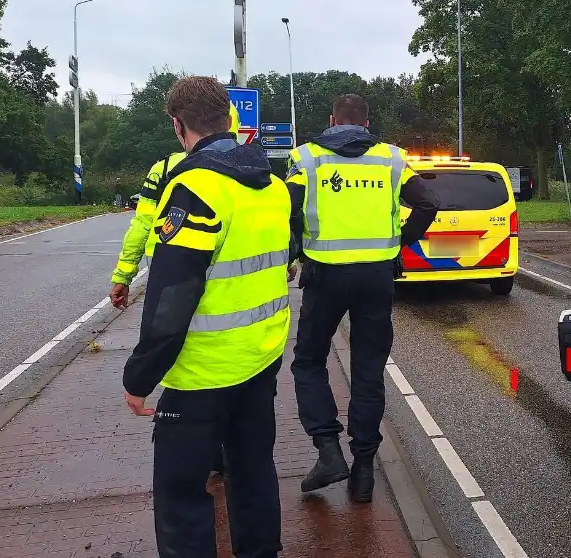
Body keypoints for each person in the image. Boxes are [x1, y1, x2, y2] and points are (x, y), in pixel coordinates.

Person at [122, 76, 292, 557]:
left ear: (179, 126)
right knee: (254, 473)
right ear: (228, 117)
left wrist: (140, 376)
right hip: (260, 359)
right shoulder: (271, 186)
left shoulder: (195, 189)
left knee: (181, 498)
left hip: (201, 374)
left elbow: (172, 296)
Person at [286, 94, 439, 500]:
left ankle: (327, 449)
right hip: (377, 276)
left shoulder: (307, 157)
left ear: (332, 119)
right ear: (367, 124)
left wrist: (295, 249)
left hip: (325, 276)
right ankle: (364, 472)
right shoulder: (391, 159)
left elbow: (290, 209)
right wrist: (398, 244)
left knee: (308, 362)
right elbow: (428, 203)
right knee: (369, 372)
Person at [109, 103, 241, 308]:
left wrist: (123, 275)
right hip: (236, 288)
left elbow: (143, 224)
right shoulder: (256, 173)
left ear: (178, 126)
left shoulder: (164, 170)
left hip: (168, 280)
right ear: (232, 124)